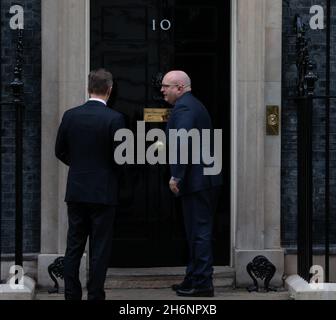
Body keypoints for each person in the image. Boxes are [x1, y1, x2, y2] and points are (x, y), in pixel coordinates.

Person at [55, 68, 125, 300]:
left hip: (76, 190)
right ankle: (95, 294)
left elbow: (60, 151)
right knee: (100, 247)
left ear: (88, 88)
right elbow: (120, 158)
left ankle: (71, 294)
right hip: (103, 192)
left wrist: (78, 167)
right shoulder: (115, 119)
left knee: (74, 245)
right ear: (110, 90)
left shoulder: (70, 115)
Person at [162, 70, 222, 297]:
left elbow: (182, 141)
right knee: (195, 232)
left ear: (179, 87)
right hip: (202, 180)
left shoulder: (185, 107)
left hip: (197, 181)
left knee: (199, 233)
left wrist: (176, 175)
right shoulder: (191, 105)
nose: (162, 90)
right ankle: (193, 278)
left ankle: (203, 283)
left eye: (166, 86)